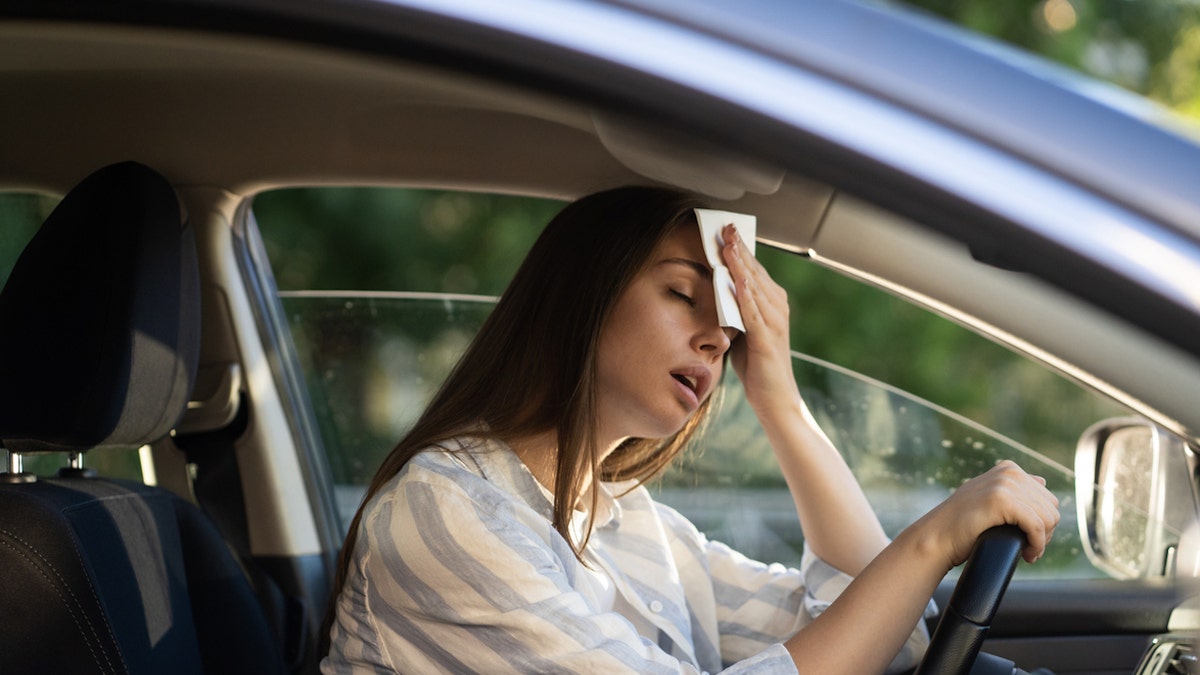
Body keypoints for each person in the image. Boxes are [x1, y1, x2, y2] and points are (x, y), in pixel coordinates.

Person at [321, 186, 1060, 674]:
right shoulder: (443, 512)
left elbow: (890, 636)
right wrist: (935, 538)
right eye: (681, 292)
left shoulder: (636, 528)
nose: (717, 338)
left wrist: (780, 400)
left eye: (730, 324)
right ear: (584, 294)